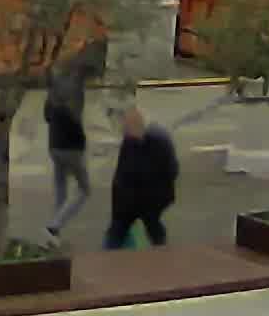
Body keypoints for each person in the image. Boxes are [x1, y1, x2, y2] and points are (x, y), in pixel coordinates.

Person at [41, 44, 98, 235]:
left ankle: (55, 227)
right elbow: (86, 68)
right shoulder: (76, 88)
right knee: (84, 189)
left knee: (61, 188)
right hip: (73, 146)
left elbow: (46, 116)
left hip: (54, 145)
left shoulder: (53, 91)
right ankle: (55, 225)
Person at [104, 105, 178, 250]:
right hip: (150, 199)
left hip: (135, 201)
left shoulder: (135, 142)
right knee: (153, 228)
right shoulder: (158, 138)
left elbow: (122, 177)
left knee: (117, 233)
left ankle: (109, 256)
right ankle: (163, 252)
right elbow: (172, 170)